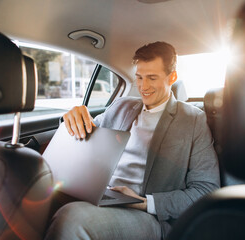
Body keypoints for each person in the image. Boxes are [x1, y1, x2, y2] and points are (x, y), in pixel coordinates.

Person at [45, 41, 220, 240]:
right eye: (139, 77)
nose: (143, 87)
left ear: (172, 77)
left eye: (152, 78)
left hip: (145, 215)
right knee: (37, 198)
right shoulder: (121, 105)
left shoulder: (193, 120)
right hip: (101, 197)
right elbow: (85, 134)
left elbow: (206, 191)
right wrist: (73, 119)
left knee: (72, 220)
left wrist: (145, 202)